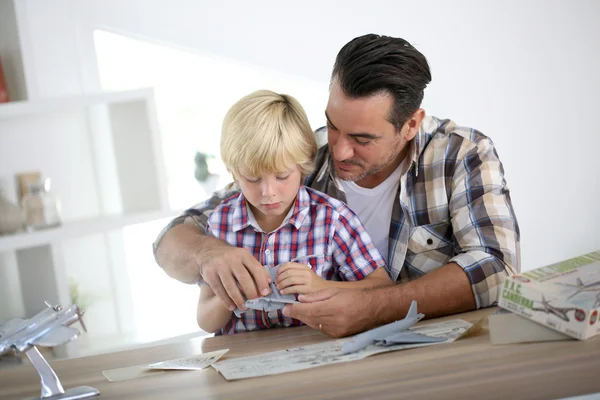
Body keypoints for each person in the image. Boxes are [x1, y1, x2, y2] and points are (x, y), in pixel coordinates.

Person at [154, 34, 520, 338]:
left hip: (439, 357)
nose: (339, 150)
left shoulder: (461, 155)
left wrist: (372, 308)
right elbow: (172, 239)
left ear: (410, 125)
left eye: (362, 138)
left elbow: (495, 269)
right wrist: (208, 255)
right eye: (333, 125)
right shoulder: (300, 158)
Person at [195, 90, 391, 335]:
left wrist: (320, 286)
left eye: (282, 176)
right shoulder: (221, 223)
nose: (268, 192)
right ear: (234, 172)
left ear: (303, 165)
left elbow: (381, 287)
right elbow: (205, 319)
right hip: (244, 359)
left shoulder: (332, 219)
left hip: (316, 352)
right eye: (252, 178)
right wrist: (235, 295)